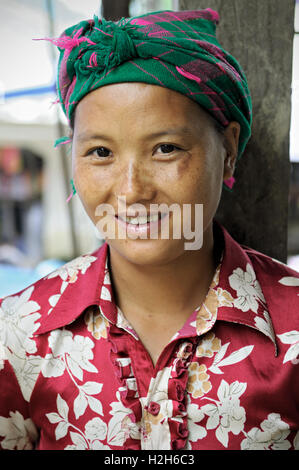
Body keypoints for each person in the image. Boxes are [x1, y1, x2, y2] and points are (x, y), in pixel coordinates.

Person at [0, 8, 298, 451]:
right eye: (101, 152)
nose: (131, 190)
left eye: (166, 148)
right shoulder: (19, 333)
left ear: (229, 150)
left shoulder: (292, 333)